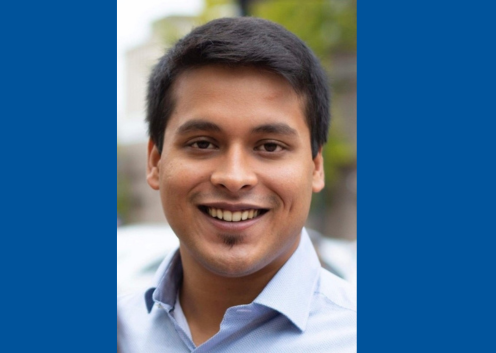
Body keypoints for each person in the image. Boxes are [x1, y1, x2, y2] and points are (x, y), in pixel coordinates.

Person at [118, 17, 356, 352]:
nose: (234, 177)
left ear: (315, 167)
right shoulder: (121, 331)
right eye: (203, 143)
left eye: (270, 146)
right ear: (155, 162)